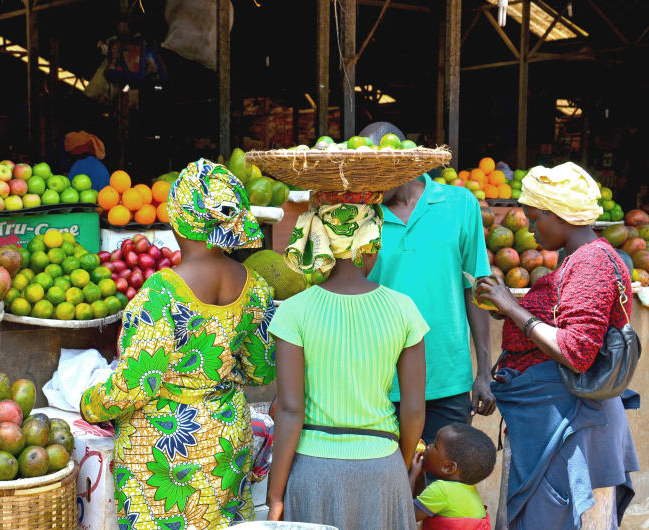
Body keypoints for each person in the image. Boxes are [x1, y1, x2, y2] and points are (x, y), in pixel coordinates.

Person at [80, 159, 277, 527]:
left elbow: (137, 382)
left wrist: (90, 404)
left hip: (165, 450)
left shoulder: (162, 293)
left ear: (179, 218)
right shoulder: (257, 288)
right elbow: (261, 370)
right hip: (226, 440)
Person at [477, 162, 639, 529]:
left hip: (573, 428)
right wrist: (513, 311)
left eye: (536, 218)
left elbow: (575, 351)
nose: (532, 228)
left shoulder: (592, 262)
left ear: (560, 215)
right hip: (558, 422)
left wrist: (513, 308)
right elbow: (561, 320)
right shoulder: (578, 259)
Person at [267, 191, 428, 529]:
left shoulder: (294, 311)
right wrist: (395, 464)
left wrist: (276, 492)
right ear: (371, 243)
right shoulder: (403, 309)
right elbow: (414, 409)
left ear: (319, 242)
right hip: (382, 466)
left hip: (312, 470)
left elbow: (289, 409)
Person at [360, 122, 495, 445]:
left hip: (448, 379)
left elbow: (474, 289)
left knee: (443, 487)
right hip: (378, 383)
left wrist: (484, 372)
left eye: (379, 171)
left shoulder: (461, 204)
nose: (372, 181)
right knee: (390, 489)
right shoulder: (359, 215)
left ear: (404, 161)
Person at [409, 423, 495, 529]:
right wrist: (419, 474)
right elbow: (420, 503)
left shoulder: (441, 490)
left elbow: (407, 515)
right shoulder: (469, 492)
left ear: (449, 467)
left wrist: (411, 475)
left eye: (435, 445)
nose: (429, 446)